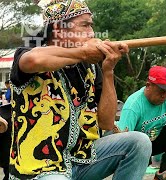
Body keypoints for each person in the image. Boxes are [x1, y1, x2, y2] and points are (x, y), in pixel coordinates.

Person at [9, 1, 151, 179]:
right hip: (40, 168)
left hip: (82, 159)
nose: (91, 33)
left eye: (91, 26)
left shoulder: (90, 69)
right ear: (59, 29)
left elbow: (106, 123)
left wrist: (108, 71)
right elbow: (33, 60)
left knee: (139, 142)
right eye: (85, 25)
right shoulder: (28, 54)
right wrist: (83, 52)